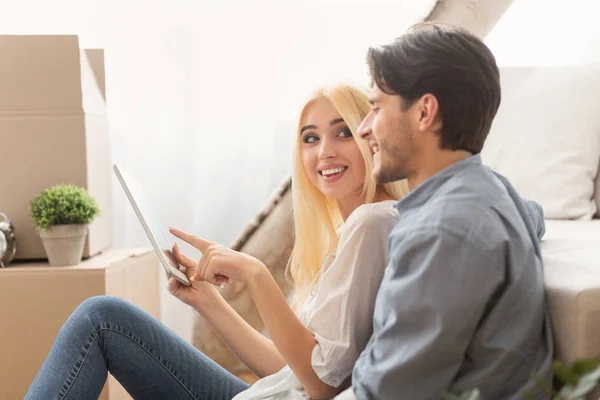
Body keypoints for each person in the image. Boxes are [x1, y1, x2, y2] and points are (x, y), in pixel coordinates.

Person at [25, 83, 409, 400]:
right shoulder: (359, 229)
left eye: (342, 131)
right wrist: (208, 302)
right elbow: (294, 370)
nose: (324, 150)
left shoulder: (372, 222)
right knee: (103, 317)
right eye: (311, 138)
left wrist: (256, 275)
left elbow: (323, 387)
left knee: (101, 319)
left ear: (370, 136)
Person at [336, 23, 553, 400]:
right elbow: (535, 216)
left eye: (375, 107)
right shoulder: (491, 189)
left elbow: (386, 393)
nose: (365, 129)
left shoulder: (444, 231)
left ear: (424, 112)